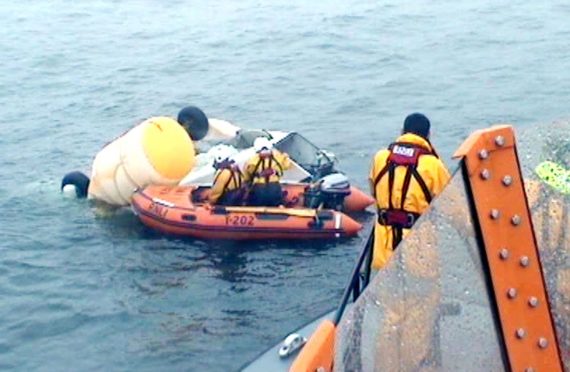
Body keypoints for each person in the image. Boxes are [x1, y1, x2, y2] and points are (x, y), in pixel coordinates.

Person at [368, 113, 451, 269]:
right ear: (428, 135)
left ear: (402, 132)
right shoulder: (433, 166)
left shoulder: (379, 158)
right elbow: (452, 207)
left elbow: (375, 193)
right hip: (420, 257)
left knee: (387, 293)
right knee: (424, 293)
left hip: (383, 255)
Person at [243, 137, 292, 207]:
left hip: (259, 189)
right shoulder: (278, 157)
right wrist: (286, 156)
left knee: (254, 205)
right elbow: (287, 166)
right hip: (274, 187)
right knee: (276, 205)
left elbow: (247, 175)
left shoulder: (252, 160)